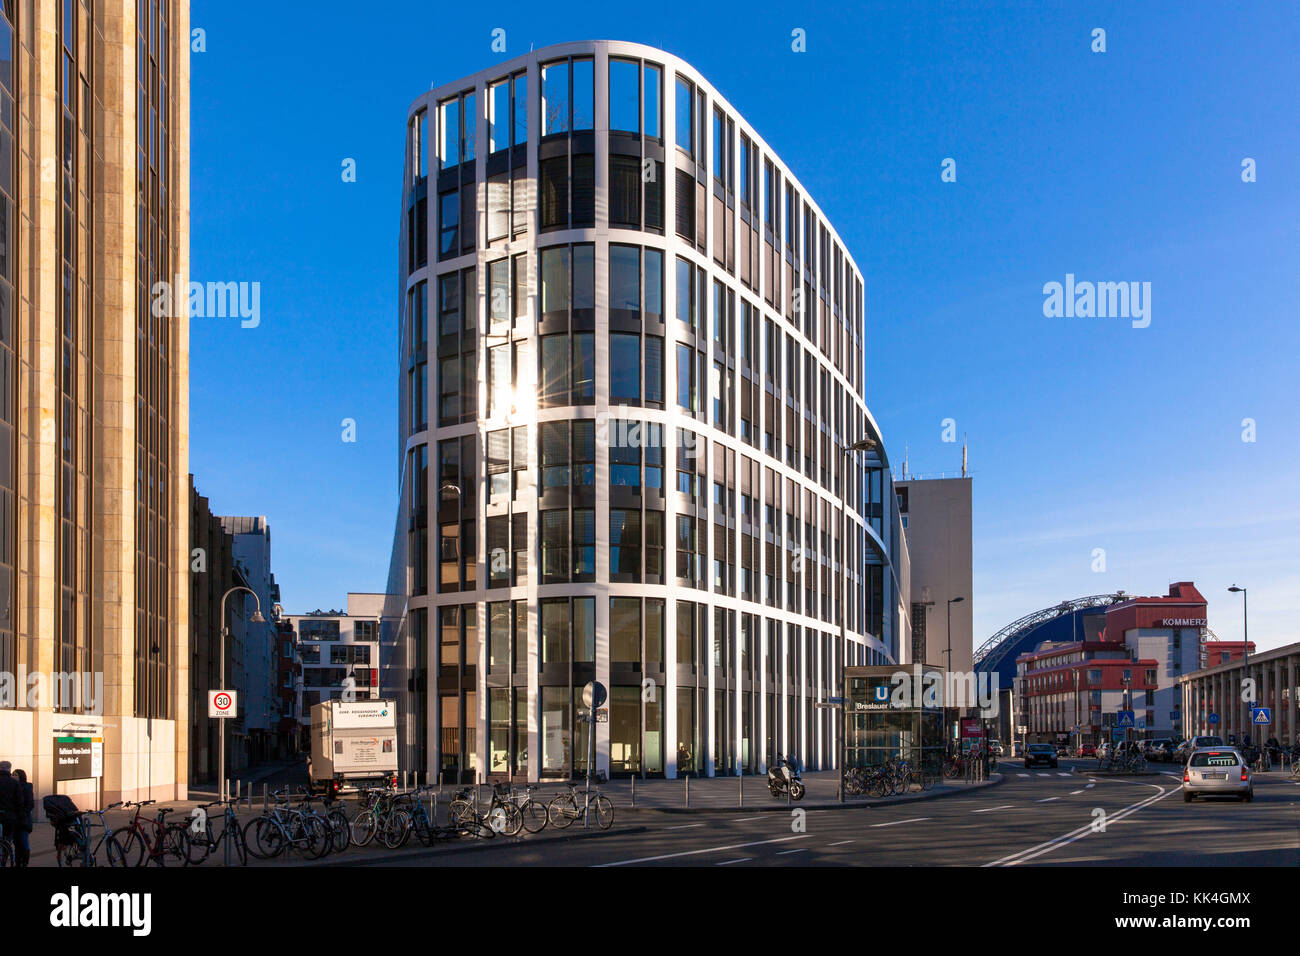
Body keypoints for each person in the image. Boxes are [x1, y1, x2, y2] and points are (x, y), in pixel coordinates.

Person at [12, 768, 32, 867]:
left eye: (15, 775)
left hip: (24, 820)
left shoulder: (27, 787)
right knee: (16, 843)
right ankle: (17, 862)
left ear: (21, 776)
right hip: (14, 819)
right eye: (12, 774)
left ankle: (25, 861)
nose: (13, 776)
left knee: (24, 841)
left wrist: (23, 813)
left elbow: (30, 804)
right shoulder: (12, 786)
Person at [0, 761, 22, 852]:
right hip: (9, 815)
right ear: (9, 769)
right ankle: (6, 852)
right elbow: (19, 801)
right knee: (8, 837)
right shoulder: (15, 783)